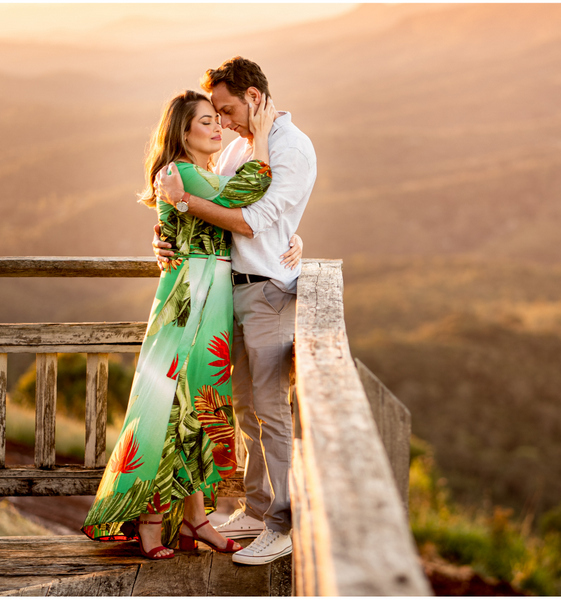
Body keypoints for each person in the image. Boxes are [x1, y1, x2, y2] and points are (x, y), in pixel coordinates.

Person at [81, 89, 302, 560]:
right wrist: (263, 136)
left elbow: (243, 217)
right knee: (170, 403)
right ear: (183, 133)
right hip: (191, 298)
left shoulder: (197, 177)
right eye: (206, 121)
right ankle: (150, 520)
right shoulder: (179, 173)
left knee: (201, 403)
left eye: (218, 119)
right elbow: (249, 192)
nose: (218, 127)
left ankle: (195, 519)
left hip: (212, 297)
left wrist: (293, 236)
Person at [153, 56, 317, 566]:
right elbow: (220, 207)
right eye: (215, 115)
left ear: (253, 97)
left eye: (226, 110)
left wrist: (183, 202)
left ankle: (282, 526)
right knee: (244, 406)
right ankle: (257, 507)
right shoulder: (241, 147)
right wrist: (167, 233)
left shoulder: (292, 147)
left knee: (271, 409)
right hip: (230, 291)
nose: (221, 122)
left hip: (268, 291)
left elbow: (250, 220)